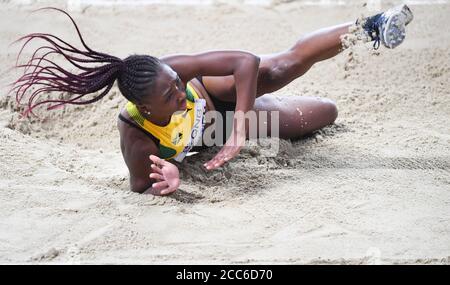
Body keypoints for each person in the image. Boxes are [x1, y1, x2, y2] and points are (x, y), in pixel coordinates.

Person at [11, 5, 414, 195]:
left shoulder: (172, 71)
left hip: (219, 104)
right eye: (170, 96)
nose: (177, 93)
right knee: (325, 112)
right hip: (211, 135)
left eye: (175, 84)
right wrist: (169, 181)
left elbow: (245, 61)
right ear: (147, 108)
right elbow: (140, 187)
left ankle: (372, 25)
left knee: (277, 71)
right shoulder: (137, 135)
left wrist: (239, 124)